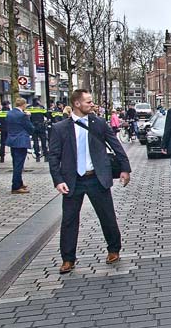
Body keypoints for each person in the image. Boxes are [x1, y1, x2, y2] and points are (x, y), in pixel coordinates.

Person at [48, 89, 131, 274]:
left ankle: (113, 249)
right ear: (77, 104)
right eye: (88, 102)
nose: (91, 104)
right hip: (72, 180)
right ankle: (68, 259)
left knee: (107, 215)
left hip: (96, 177)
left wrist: (125, 168)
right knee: (69, 220)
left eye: (91, 101)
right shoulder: (60, 128)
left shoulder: (99, 123)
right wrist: (57, 180)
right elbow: (53, 157)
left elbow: (116, 145)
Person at [7, 98, 34, 194]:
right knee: (19, 165)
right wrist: (28, 117)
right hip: (21, 141)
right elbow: (30, 127)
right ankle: (16, 186)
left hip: (12, 140)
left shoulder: (9, 113)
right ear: (23, 105)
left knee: (15, 163)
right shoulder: (22, 115)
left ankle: (19, 182)